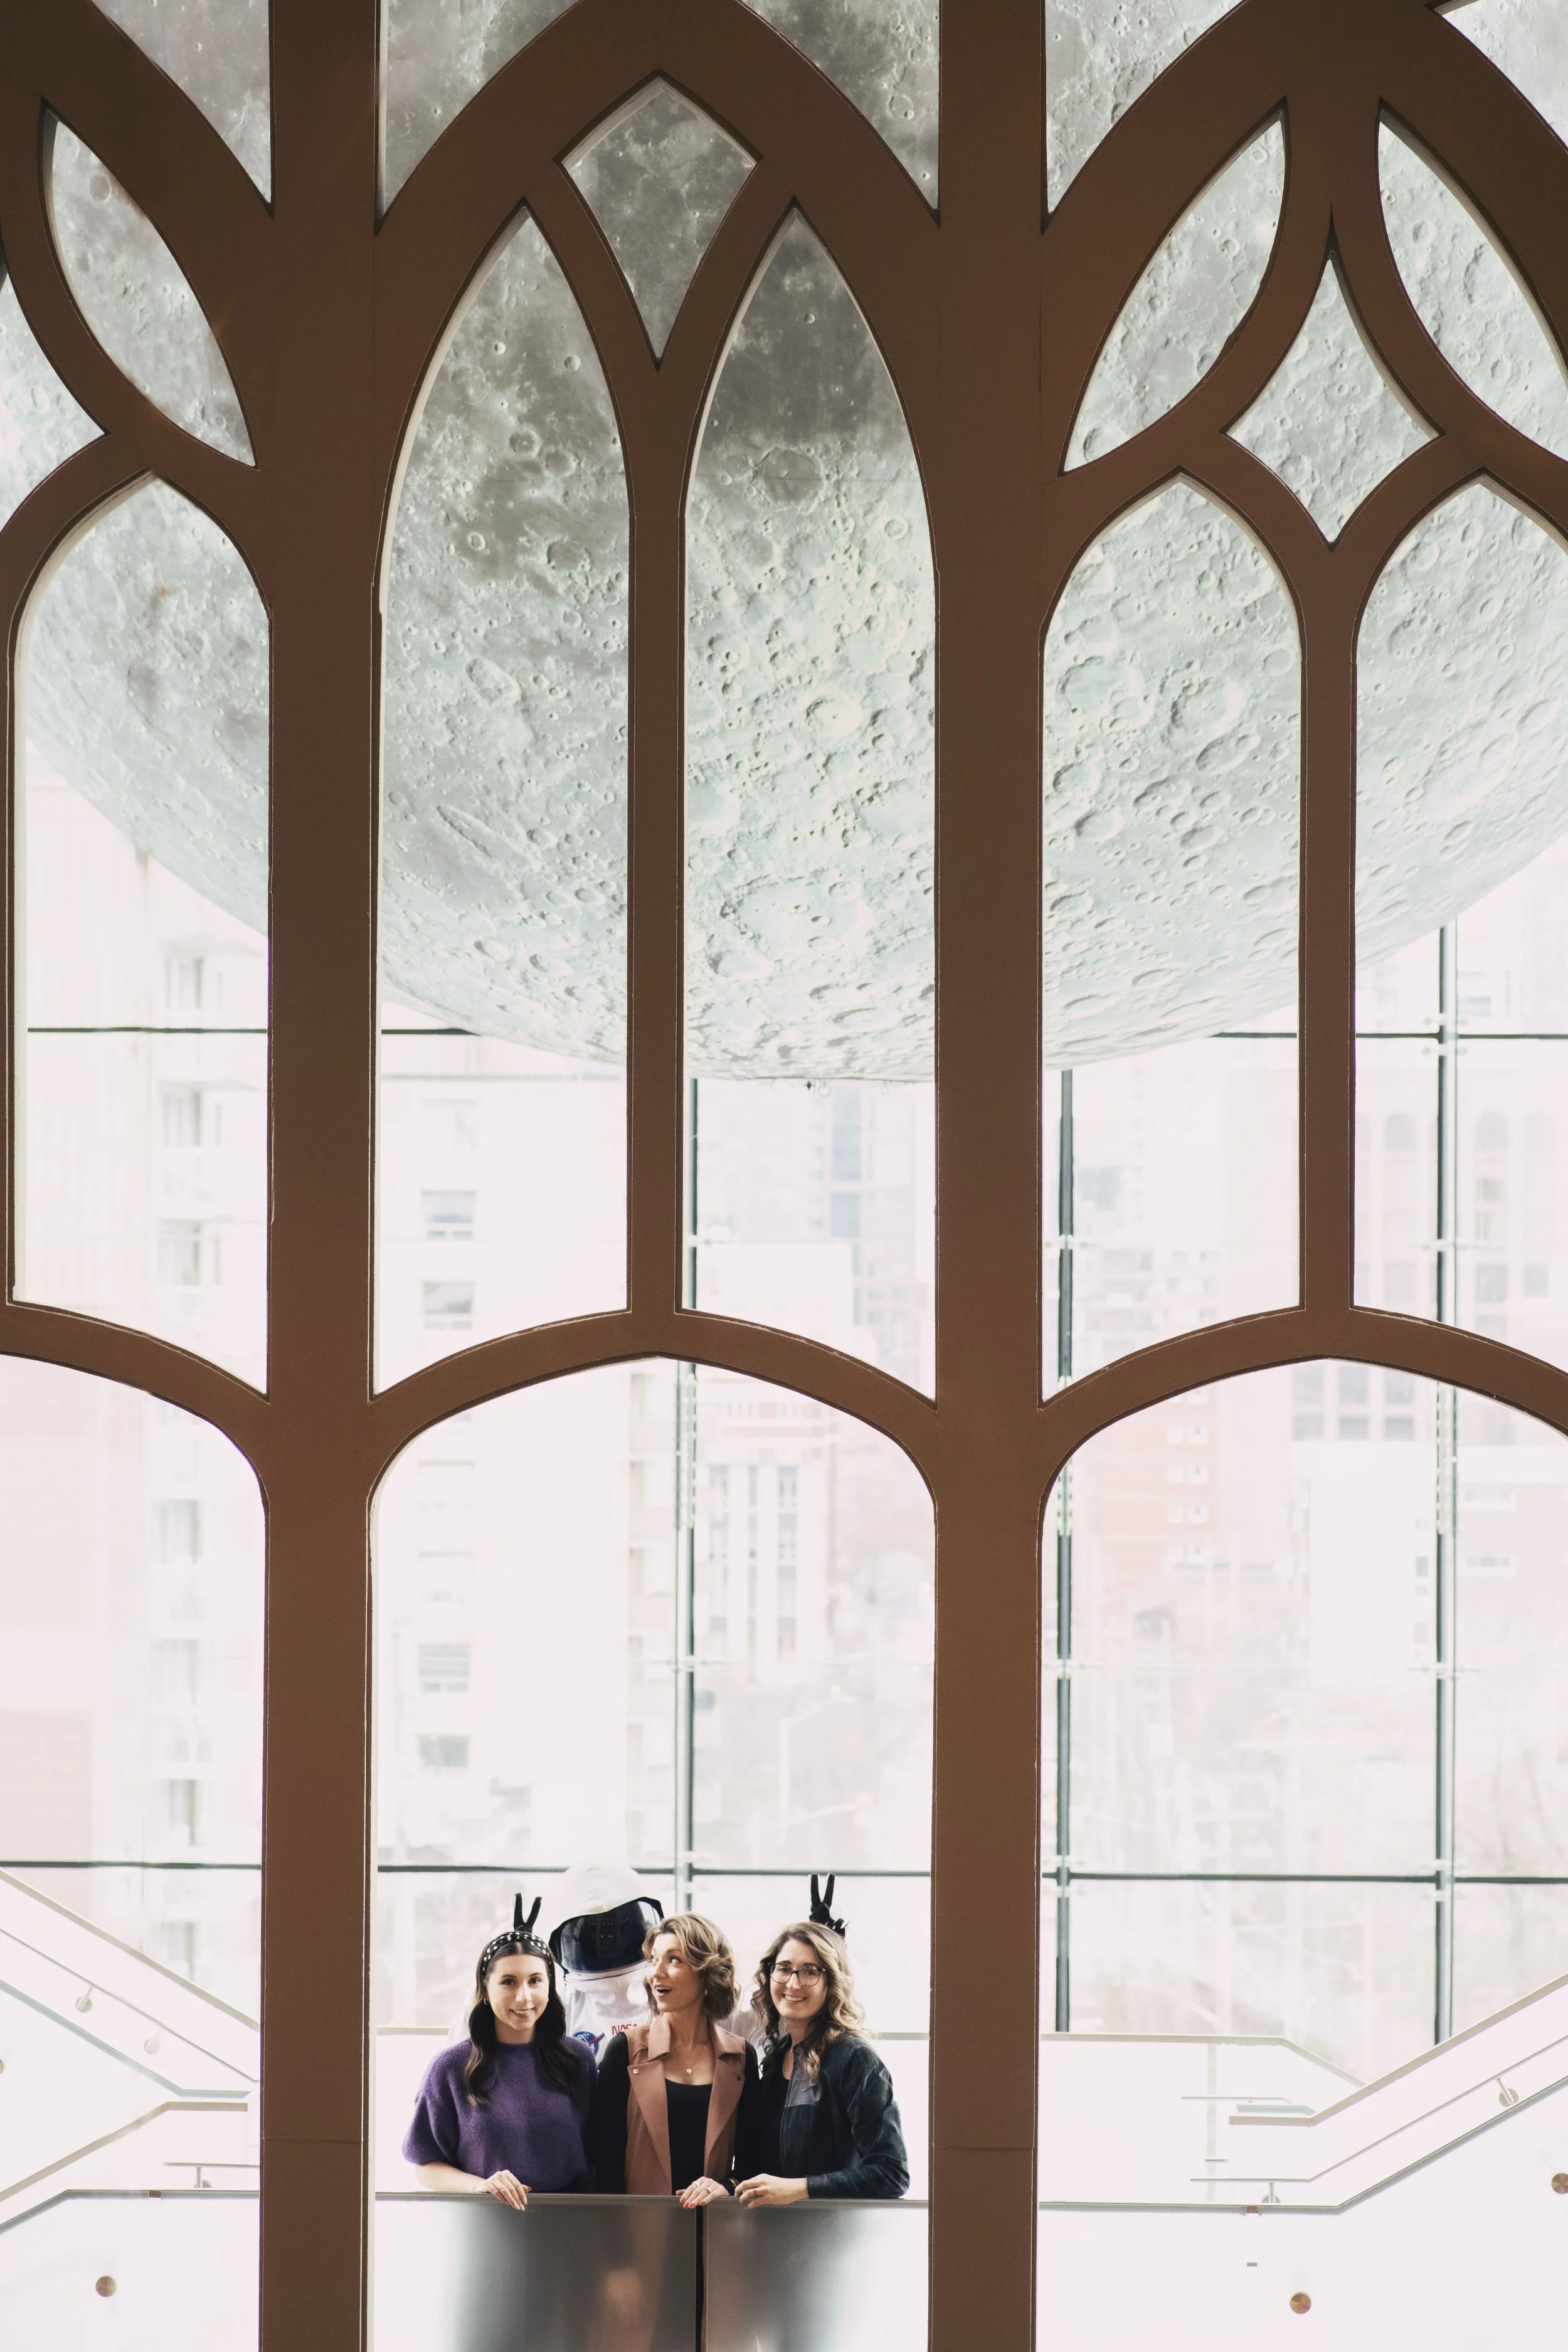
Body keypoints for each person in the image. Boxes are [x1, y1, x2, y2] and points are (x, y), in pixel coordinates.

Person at [404, 1895, 593, 2206]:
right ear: (485, 1991)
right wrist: (481, 2186)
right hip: (484, 2221)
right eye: (508, 1982)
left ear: (550, 1986)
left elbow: (600, 2155)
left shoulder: (578, 2059)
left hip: (570, 2222)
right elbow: (426, 2166)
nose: (524, 1997)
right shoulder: (451, 2068)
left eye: (535, 1981)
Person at [734, 1915, 908, 2205]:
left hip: (833, 2229)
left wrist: (803, 2188)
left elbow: (892, 2174)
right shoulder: (776, 2058)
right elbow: (757, 2169)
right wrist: (725, 2185)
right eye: (784, 1969)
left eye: (810, 1971)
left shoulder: (855, 2059)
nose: (793, 1983)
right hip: (773, 2229)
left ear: (832, 1982)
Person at [591, 1912, 760, 2203]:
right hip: (638, 2225)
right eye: (653, 1959)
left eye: (674, 1960)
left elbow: (753, 2161)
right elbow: (604, 2161)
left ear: (707, 1972)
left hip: (714, 2225)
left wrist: (726, 2186)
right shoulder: (625, 2051)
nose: (656, 1973)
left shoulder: (741, 2057)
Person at [548, 1858, 667, 2058]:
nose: (608, 1937)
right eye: (595, 1927)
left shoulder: (666, 1992)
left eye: (619, 1922)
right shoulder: (564, 2006)